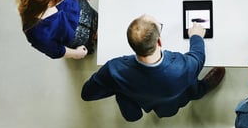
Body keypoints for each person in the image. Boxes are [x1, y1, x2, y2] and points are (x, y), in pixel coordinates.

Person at [81, 14, 225, 122]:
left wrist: (119, 89)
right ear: (160, 41)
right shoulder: (181, 66)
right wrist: (196, 36)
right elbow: (198, 57)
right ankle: (202, 89)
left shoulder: (113, 69)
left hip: (147, 102)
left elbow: (87, 94)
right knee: (192, 85)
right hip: (175, 99)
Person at [17, 0, 99, 59]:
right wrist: (76, 53)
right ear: (51, 3)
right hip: (78, 36)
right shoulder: (36, 32)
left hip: (81, 9)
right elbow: (56, 50)